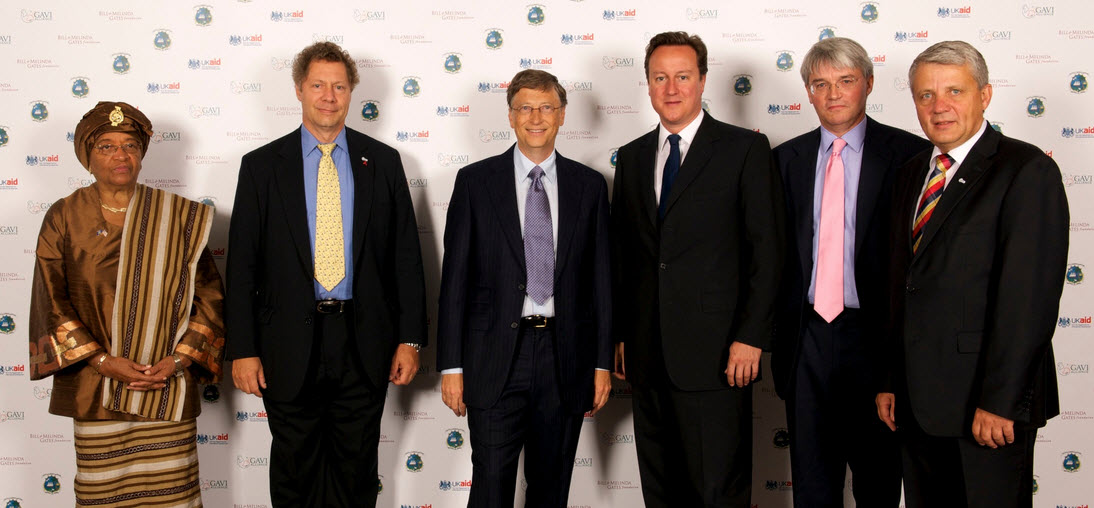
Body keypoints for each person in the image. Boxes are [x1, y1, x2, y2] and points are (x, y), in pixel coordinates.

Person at [226, 41, 426, 507]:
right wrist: (243, 349)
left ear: (352, 92)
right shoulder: (260, 167)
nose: (329, 96)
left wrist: (410, 340)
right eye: (318, 85)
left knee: (357, 474)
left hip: (364, 342)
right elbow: (242, 266)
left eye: (339, 86)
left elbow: (406, 261)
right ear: (299, 90)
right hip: (286, 347)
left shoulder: (384, 162)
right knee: (294, 474)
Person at [876, 40, 1068, 508]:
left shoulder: (1026, 171)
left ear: (984, 95)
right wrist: (890, 380)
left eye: (954, 91)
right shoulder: (910, 174)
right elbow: (901, 286)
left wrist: (1002, 401)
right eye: (925, 95)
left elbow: (1029, 300)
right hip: (918, 405)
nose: (939, 107)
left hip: (985, 407)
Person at [610, 31, 785, 507]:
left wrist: (751, 337)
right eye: (660, 77)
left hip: (717, 355)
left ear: (703, 80)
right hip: (647, 356)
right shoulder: (631, 157)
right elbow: (627, 256)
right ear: (647, 84)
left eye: (682, 76)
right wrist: (624, 334)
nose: (671, 88)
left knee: (716, 490)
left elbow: (767, 253)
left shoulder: (743, 150)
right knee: (662, 490)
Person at [29, 101, 225, 507]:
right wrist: (103, 361)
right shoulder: (64, 216)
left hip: (166, 386)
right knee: (105, 494)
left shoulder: (179, 217)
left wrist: (178, 361)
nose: (121, 155)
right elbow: (52, 299)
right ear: (87, 156)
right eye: (106, 146)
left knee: (173, 495)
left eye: (130, 145)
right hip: (96, 388)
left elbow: (209, 296)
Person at [436, 69, 612, 508]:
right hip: (493, 360)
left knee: (551, 490)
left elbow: (602, 282)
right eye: (525, 108)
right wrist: (451, 366)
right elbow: (454, 280)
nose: (536, 117)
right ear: (511, 117)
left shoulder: (590, 187)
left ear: (562, 114)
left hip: (565, 357)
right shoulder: (475, 182)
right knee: (491, 487)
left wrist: (602, 363)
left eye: (546, 107)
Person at [771, 37, 928, 507]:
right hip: (806, 339)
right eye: (821, 84)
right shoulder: (784, 160)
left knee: (879, 482)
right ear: (808, 92)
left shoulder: (911, 156)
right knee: (813, 485)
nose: (834, 93)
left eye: (846, 81)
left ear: (869, 84)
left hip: (876, 340)